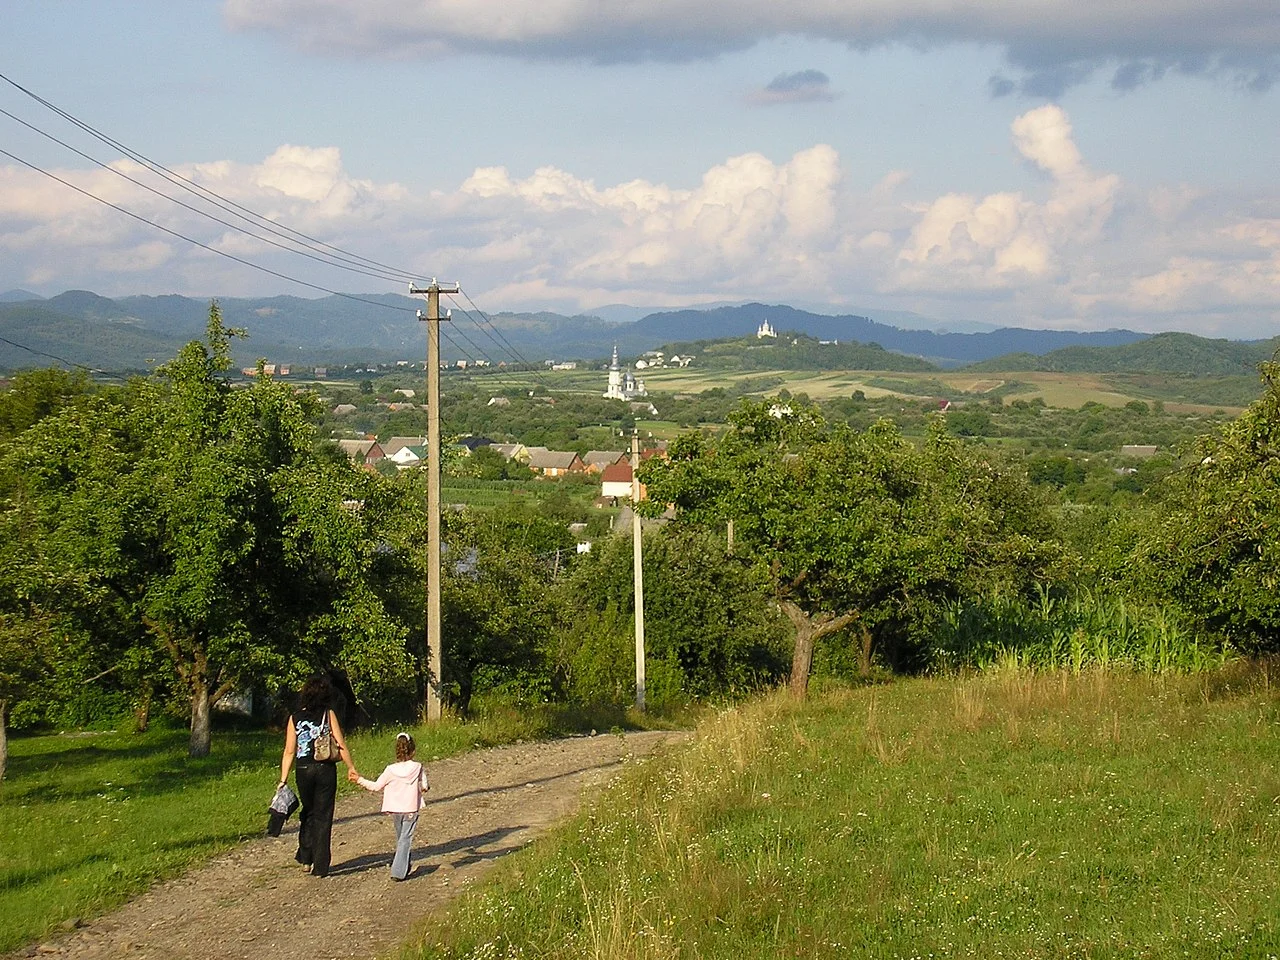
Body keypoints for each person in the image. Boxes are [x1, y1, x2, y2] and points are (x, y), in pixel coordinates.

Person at [278, 674, 354, 878]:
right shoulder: (328, 715)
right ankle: (320, 866)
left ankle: (305, 857)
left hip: (303, 770)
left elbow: (289, 751)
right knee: (323, 815)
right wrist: (351, 767)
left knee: (308, 812)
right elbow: (340, 743)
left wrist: (283, 779)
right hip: (325, 768)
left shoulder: (295, 717)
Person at [349, 732, 429, 881]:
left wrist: (359, 779)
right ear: (413, 751)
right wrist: (420, 788)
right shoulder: (418, 767)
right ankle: (399, 870)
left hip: (395, 810)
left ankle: (402, 867)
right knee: (405, 839)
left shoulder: (390, 770)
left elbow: (376, 786)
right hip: (411, 808)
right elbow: (425, 786)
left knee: (401, 839)